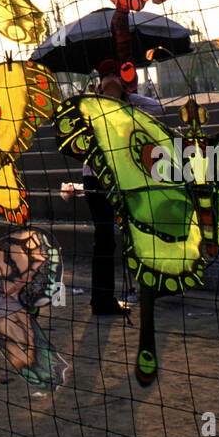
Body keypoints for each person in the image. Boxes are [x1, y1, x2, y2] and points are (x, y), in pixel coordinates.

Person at [83, 61, 161, 316]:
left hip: (122, 177)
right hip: (96, 177)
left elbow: (156, 108)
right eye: (107, 76)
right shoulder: (93, 105)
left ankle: (117, 295)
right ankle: (102, 301)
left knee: (120, 237)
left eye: (115, 75)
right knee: (104, 239)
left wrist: (127, 97)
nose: (112, 80)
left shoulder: (129, 104)